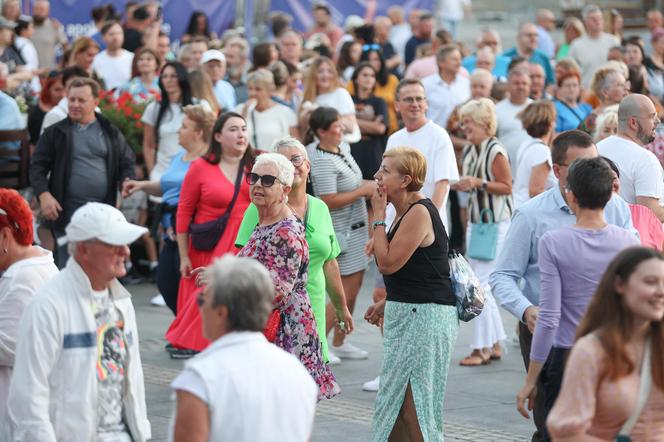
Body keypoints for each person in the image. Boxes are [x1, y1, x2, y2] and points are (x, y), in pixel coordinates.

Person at [489, 130, 637, 441]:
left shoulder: (616, 207)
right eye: (583, 165)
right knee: (552, 424)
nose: (594, 173)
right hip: (548, 339)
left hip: (604, 342)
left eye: (597, 164)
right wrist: (526, 309)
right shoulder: (531, 215)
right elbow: (502, 276)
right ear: (557, 170)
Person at [7, 202, 151, 442]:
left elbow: (133, 382)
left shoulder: (123, 301)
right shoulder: (48, 305)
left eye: (125, 243)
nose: (126, 251)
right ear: (83, 249)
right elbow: (28, 397)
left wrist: (142, 434)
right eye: (115, 244)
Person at [363, 147, 458, 440]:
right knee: (395, 405)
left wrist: (378, 215)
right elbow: (418, 269)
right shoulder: (405, 210)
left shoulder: (418, 212)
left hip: (426, 317)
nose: (377, 176)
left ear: (405, 181)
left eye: (386, 171)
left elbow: (388, 263)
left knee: (412, 406)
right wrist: (391, 301)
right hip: (413, 311)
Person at [170, 254, 317, 442]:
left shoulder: (201, 377)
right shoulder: (297, 372)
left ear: (221, 312)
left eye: (202, 301)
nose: (199, 309)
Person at [236, 136, 354, 363]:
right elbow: (244, 259)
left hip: (312, 311)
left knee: (307, 385)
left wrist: (341, 308)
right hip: (271, 314)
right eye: (283, 161)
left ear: (308, 165)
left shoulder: (319, 207)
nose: (291, 166)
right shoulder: (259, 207)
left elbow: (330, 263)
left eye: (296, 159)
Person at [547, 247, 664, 439]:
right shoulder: (591, 351)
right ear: (620, 284)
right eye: (651, 282)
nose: (661, 292)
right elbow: (566, 435)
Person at [165, 112, 253, 356]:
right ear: (218, 136)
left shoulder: (257, 162)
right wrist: (184, 256)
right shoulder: (201, 167)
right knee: (206, 295)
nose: (241, 134)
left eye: (244, 129)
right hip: (208, 245)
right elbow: (183, 212)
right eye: (233, 129)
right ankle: (194, 342)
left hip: (243, 242)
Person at [30, 77, 136, 268]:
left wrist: (126, 182)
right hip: (66, 214)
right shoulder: (56, 133)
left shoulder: (110, 132)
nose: (75, 105)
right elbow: (36, 167)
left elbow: (126, 161)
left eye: (81, 100)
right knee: (68, 271)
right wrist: (44, 195)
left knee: (100, 270)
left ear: (95, 102)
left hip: (102, 215)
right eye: (71, 100)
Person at [123, 104, 215, 314]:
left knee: (187, 282)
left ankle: (191, 334)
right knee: (166, 282)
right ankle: (182, 328)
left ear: (198, 133)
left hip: (191, 228)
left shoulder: (209, 160)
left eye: (184, 127)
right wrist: (142, 185)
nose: (178, 131)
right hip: (169, 227)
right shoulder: (179, 156)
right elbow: (166, 187)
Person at [309, 106, 374, 362]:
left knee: (355, 289)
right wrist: (362, 192)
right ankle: (318, 342)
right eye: (336, 125)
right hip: (340, 231)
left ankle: (340, 339)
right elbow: (327, 199)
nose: (342, 129)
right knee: (342, 292)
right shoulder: (322, 159)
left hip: (356, 229)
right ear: (321, 132)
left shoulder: (343, 149)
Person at [452, 98, 511, 365]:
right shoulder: (473, 149)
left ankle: (481, 348)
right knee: (480, 284)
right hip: (479, 222)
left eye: (468, 123)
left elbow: (506, 186)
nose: (464, 127)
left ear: (484, 123)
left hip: (495, 223)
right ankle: (496, 344)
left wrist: (478, 182)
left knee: (478, 287)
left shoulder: (494, 149)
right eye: (463, 123)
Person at [0, 189, 58, 417]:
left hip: (20, 411)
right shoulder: (41, 264)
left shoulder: (21, 278)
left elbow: (10, 348)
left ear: (5, 236)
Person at [386, 78, 459, 233]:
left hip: (427, 228)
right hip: (395, 226)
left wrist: (427, 220)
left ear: (426, 104)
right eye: (408, 99)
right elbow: (387, 184)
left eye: (419, 98)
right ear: (397, 105)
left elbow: (442, 184)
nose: (415, 103)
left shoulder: (439, 136)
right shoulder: (394, 139)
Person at [598, 94, 664, 222]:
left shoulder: (596, 149)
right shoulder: (645, 160)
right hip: (634, 239)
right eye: (651, 117)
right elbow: (650, 213)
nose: (657, 121)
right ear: (633, 123)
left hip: (600, 234)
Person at [142, 61, 203, 185]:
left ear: (181, 77)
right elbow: (148, 144)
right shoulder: (154, 108)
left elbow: (207, 141)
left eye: (173, 76)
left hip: (192, 172)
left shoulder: (199, 106)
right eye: (164, 76)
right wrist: (152, 172)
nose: (168, 80)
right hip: (161, 174)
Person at [300, 56, 360, 144]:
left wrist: (320, 112)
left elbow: (351, 127)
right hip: (312, 148)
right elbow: (303, 130)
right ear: (313, 74)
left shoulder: (340, 93)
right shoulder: (307, 97)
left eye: (329, 71)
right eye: (320, 71)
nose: (325, 75)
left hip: (337, 148)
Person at [237, 68, 298, 151]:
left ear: (270, 91)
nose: (252, 93)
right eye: (250, 88)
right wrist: (244, 112)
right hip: (248, 161)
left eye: (258, 89)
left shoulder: (285, 113)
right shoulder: (240, 110)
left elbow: (296, 145)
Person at [513, 100, 557, 208]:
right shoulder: (541, 151)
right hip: (531, 213)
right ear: (550, 123)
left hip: (520, 207)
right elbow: (535, 191)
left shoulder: (527, 144)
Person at [347, 63, 388, 180]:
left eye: (372, 76)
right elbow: (339, 121)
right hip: (351, 151)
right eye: (365, 75)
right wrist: (371, 124)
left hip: (373, 154)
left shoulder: (379, 102)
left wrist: (351, 121)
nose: (369, 78)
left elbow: (380, 128)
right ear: (356, 79)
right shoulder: (348, 99)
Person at [347, 45, 399, 135]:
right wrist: (371, 125)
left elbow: (399, 106)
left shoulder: (392, 80)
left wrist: (351, 121)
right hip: (357, 135)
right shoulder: (352, 84)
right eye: (369, 60)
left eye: (376, 59)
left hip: (390, 129)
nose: (373, 63)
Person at [569, 4, 621, 88]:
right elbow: (571, 71)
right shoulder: (576, 45)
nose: (597, 21)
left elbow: (620, 67)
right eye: (593, 19)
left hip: (610, 91)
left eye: (600, 18)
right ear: (585, 22)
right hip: (586, 92)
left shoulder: (613, 41)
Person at [422, 44, 470, 129]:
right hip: (433, 137)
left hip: (459, 138)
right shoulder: (426, 84)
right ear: (441, 63)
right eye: (454, 59)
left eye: (460, 59)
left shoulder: (467, 84)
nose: (459, 63)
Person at [496, 68, 533, 165]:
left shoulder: (537, 109)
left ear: (529, 86)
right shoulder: (497, 110)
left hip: (532, 166)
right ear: (508, 86)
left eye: (524, 83)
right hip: (506, 168)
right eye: (516, 83)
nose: (520, 86)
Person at [579, 67, 627, 135]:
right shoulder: (591, 121)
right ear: (605, 93)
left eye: (625, 84)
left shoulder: (626, 114)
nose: (626, 88)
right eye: (620, 85)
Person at [92, 21, 134, 91]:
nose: (116, 37)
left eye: (119, 33)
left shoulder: (132, 58)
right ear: (103, 37)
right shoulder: (96, 60)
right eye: (111, 34)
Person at [27, 69, 65, 146]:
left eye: (65, 89)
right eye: (57, 90)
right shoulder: (38, 115)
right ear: (48, 90)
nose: (62, 94)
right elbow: (34, 147)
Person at [31, 0, 68, 70]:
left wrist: (61, 65)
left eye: (42, 9)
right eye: (36, 9)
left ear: (48, 11)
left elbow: (66, 46)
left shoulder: (54, 26)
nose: (38, 12)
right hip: (28, 72)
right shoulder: (26, 26)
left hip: (48, 73)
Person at [645, 28, 664, 105]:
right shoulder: (647, 62)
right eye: (662, 43)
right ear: (653, 43)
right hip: (654, 103)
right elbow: (645, 85)